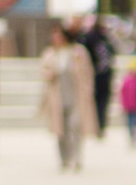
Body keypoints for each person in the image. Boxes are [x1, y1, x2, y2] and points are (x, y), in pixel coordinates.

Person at [37, 22, 99, 172]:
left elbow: (87, 73)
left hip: (76, 96)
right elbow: (43, 72)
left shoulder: (78, 52)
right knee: (60, 130)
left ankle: (77, 157)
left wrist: (88, 91)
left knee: (75, 126)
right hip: (58, 98)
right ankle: (64, 159)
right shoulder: (50, 54)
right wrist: (49, 74)